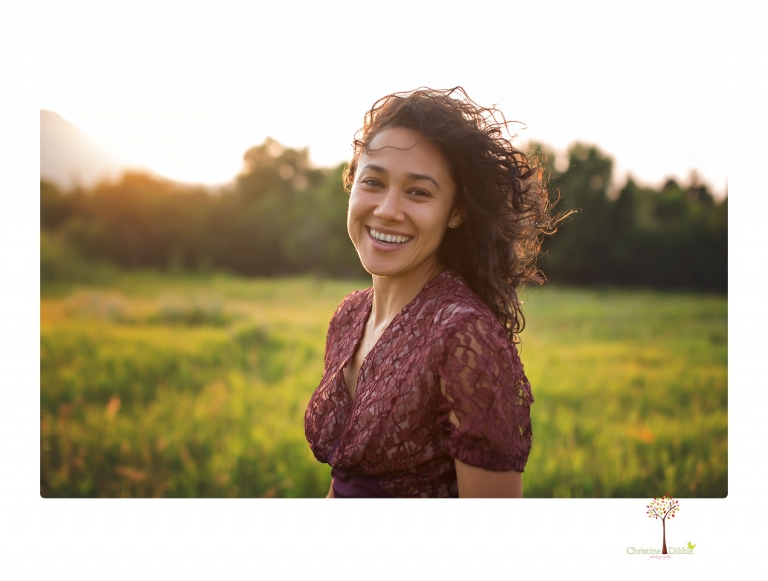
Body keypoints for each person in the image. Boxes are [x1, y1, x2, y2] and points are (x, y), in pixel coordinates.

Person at [304, 87, 564, 497]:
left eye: (418, 192)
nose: (388, 209)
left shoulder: (465, 336)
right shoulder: (349, 315)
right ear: (352, 184)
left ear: (456, 211)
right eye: (373, 181)